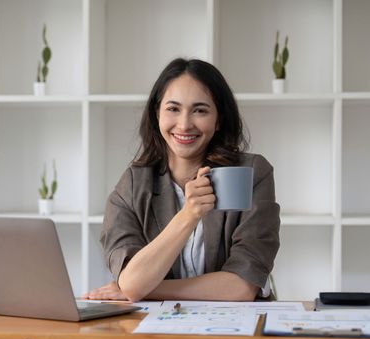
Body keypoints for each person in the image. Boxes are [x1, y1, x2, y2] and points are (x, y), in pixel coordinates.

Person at [82, 58, 280, 302]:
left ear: (218, 120)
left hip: (234, 332)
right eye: (173, 109)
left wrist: (146, 288)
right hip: (157, 333)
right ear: (157, 114)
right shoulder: (133, 185)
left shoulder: (250, 173)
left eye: (200, 110)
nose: (185, 124)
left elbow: (241, 286)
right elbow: (132, 281)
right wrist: (189, 215)